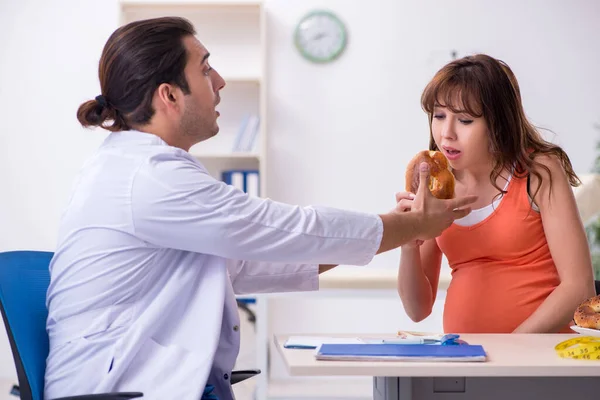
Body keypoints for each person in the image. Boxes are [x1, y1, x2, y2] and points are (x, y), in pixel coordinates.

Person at [44, 16, 477, 400]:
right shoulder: (150, 177)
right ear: (169, 95)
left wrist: (402, 228)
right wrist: (413, 225)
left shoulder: (144, 169)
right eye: (206, 67)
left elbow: (249, 263)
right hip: (124, 390)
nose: (220, 82)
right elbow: (284, 227)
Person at [396, 53, 596, 334]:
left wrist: (509, 350)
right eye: (439, 116)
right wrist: (407, 240)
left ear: (497, 123)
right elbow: (417, 310)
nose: (446, 133)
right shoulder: (436, 187)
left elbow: (579, 287)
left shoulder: (539, 171)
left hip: (539, 361)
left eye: (465, 120)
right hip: (470, 362)